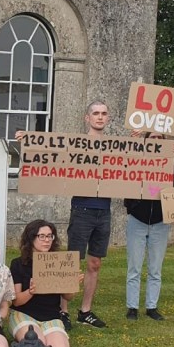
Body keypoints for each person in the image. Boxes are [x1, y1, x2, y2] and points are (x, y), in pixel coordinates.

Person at [124, 135, 174, 321]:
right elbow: (123, 169)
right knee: (134, 266)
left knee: (155, 268)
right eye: (153, 138)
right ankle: (132, 307)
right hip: (137, 220)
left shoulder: (170, 166)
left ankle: (151, 306)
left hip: (159, 222)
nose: (156, 141)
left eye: (160, 138)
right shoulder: (137, 162)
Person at [66, 100, 112, 328]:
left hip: (104, 211)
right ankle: (62, 309)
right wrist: (29, 142)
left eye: (104, 113)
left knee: (95, 263)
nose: (100, 117)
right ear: (87, 118)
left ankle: (85, 311)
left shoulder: (116, 146)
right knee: (72, 262)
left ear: (108, 118)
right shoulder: (76, 144)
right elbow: (50, 153)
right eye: (96, 113)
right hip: (82, 209)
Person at [7, 220, 75, 347]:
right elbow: (16, 302)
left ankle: (25, 343)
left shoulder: (58, 262)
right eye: (42, 236)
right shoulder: (18, 264)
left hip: (51, 315)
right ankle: (22, 340)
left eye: (50, 236)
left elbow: (68, 297)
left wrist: (69, 283)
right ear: (31, 238)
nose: (47, 240)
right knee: (37, 346)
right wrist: (31, 291)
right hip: (25, 314)